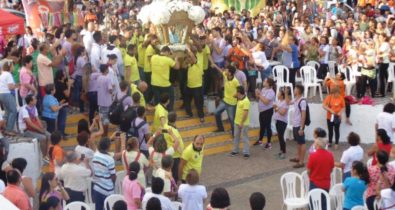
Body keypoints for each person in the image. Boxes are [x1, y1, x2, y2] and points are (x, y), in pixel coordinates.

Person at [18, 94, 50, 160]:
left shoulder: (34, 107)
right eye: (34, 99)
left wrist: (42, 129)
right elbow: (29, 123)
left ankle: (48, 153)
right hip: (26, 130)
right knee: (43, 138)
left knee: (49, 135)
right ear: (30, 102)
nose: (36, 100)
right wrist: (40, 130)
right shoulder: (24, 110)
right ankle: (44, 156)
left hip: (33, 128)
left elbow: (37, 119)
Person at [151, 46, 180, 111]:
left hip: (154, 83)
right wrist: (176, 59)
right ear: (167, 52)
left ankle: (158, 112)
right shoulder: (168, 60)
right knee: (170, 98)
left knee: (157, 99)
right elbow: (177, 67)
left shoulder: (153, 57)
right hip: (165, 84)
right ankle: (170, 111)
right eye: (169, 53)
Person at [213, 65, 239, 134]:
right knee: (216, 113)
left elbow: (239, 91)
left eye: (226, 70)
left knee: (232, 119)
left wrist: (235, 95)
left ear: (230, 73)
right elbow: (221, 71)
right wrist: (215, 65)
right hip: (224, 101)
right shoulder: (225, 75)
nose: (225, 70)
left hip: (232, 104)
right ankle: (220, 128)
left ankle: (234, 133)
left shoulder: (235, 81)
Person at [92, 137, 117, 210]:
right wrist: (112, 184)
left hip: (97, 188)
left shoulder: (95, 155)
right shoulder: (109, 159)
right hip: (108, 189)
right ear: (108, 147)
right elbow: (113, 176)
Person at [289, 85, 308, 168]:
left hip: (299, 125)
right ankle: (298, 157)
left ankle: (301, 162)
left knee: (302, 142)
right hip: (295, 124)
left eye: (295, 89)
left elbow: (303, 115)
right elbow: (287, 102)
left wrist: (301, 128)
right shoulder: (296, 99)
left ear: (299, 90)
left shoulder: (302, 101)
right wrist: (286, 92)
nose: (294, 90)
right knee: (298, 142)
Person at [184, 46, 204, 122]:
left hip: (197, 87)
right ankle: (189, 113)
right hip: (189, 86)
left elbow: (192, 56)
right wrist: (186, 60)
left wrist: (189, 49)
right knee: (187, 100)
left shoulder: (198, 63)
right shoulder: (189, 65)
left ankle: (201, 116)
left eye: (191, 58)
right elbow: (183, 66)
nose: (190, 59)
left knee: (198, 102)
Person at [254, 78, 276, 147]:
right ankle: (260, 140)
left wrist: (259, 95)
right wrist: (257, 93)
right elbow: (258, 98)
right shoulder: (263, 89)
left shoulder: (271, 92)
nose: (263, 82)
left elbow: (266, 102)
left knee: (268, 126)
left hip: (267, 111)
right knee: (262, 126)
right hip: (262, 111)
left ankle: (269, 143)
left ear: (268, 83)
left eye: (265, 81)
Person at [230, 86, 251, 158]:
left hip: (243, 123)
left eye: (237, 92)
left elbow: (245, 113)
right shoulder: (239, 98)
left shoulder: (246, 101)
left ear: (239, 93)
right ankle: (235, 150)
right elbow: (233, 95)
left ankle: (246, 152)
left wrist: (241, 122)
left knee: (245, 137)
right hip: (236, 122)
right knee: (236, 136)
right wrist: (237, 94)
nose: (235, 93)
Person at [0, 61, 18, 136]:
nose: (14, 67)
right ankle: (8, 129)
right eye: (13, 66)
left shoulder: (2, 74)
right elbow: (10, 87)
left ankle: (3, 128)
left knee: (7, 111)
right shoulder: (8, 74)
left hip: (2, 94)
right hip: (7, 94)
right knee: (13, 111)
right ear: (10, 67)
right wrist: (17, 85)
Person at [54, 70, 72, 138]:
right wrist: (69, 86)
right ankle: (62, 133)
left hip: (57, 102)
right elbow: (67, 94)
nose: (65, 75)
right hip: (63, 103)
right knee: (62, 119)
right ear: (61, 76)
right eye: (64, 74)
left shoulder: (56, 83)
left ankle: (59, 132)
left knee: (59, 118)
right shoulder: (62, 85)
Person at [97, 64, 113, 136]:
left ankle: (101, 131)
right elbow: (110, 89)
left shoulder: (99, 78)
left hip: (100, 101)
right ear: (106, 70)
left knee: (102, 117)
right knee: (106, 120)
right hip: (107, 102)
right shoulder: (107, 79)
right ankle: (105, 134)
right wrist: (112, 92)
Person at [273, 88, 289, 159]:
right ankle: (281, 150)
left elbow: (283, 113)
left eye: (279, 94)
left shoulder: (285, 102)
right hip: (277, 121)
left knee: (281, 137)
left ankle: (284, 152)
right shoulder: (278, 101)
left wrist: (277, 108)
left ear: (282, 96)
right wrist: (276, 108)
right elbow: (276, 111)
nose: (277, 95)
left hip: (282, 122)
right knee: (279, 137)